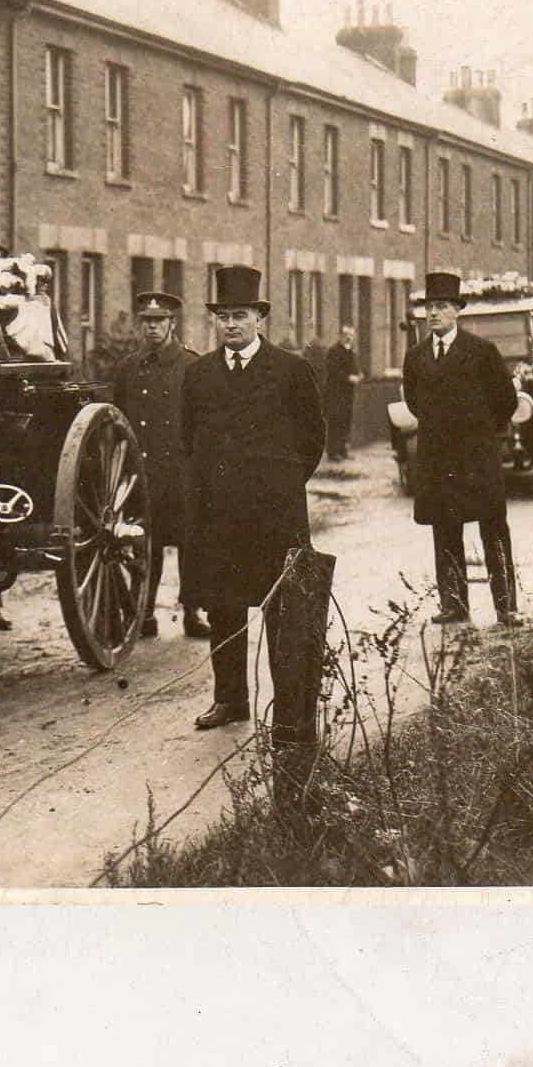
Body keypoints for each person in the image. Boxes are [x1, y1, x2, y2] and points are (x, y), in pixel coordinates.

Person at [180, 264, 325, 731]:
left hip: (275, 511)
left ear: (259, 318)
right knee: (224, 606)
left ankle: (288, 705)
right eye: (223, 316)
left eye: (240, 315)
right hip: (219, 512)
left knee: (283, 607)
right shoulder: (199, 373)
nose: (231, 325)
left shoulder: (290, 370)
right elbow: (189, 438)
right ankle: (230, 700)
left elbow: (312, 438)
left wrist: (279, 482)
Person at [400, 271, 520, 628]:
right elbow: (414, 403)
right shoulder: (416, 356)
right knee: (445, 529)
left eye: (440, 307)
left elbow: (506, 401)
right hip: (438, 459)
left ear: (456, 311)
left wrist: (479, 434)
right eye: (428, 307)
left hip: (477, 458)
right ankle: (454, 604)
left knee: (493, 530)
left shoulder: (481, 352)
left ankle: (506, 606)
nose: (433, 314)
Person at [112, 291, 208, 641]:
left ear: (172, 324)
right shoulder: (128, 367)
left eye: (159, 321)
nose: (152, 328)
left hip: (182, 471)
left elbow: (204, 422)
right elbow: (118, 416)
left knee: (189, 543)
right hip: (142, 471)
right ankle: (145, 612)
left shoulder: (192, 365)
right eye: (147, 322)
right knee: (143, 544)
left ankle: (192, 613)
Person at [323, 327, 362, 461]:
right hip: (336, 393)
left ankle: (343, 450)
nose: (348, 337)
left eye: (351, 334)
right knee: (335, 421)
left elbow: (355, 368)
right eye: (346, 334)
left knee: (346, 421)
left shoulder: (352, 352)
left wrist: (358, 375)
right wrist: (348, 378)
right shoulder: (334, 351)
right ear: (340, 335)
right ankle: (333, 452)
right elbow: (333, 370)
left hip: (348, 394)